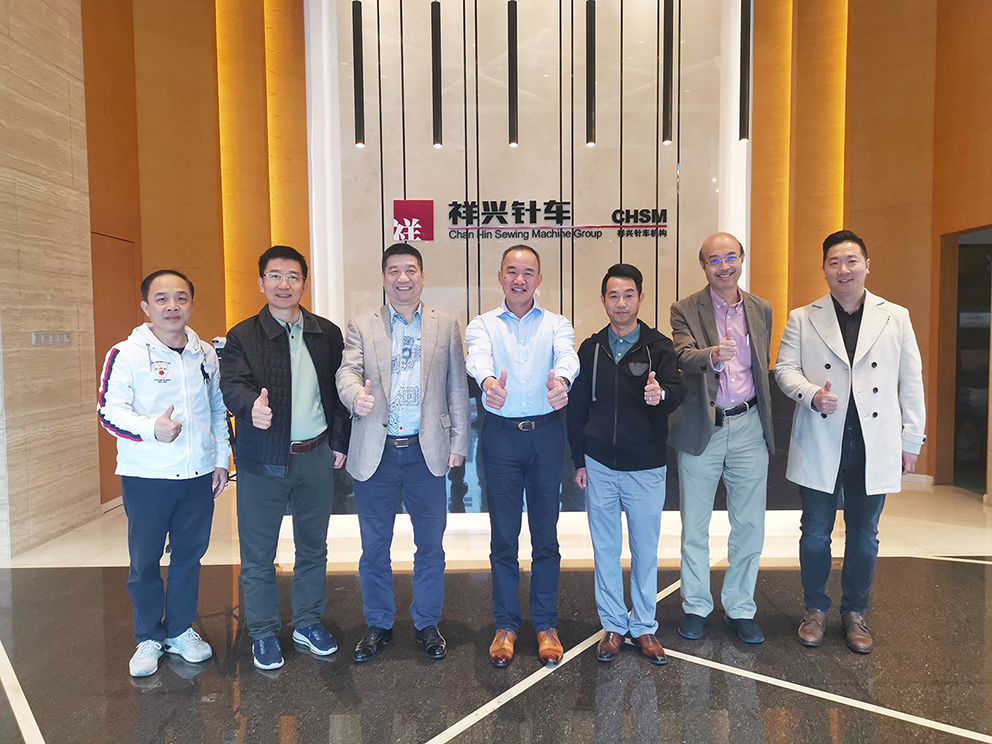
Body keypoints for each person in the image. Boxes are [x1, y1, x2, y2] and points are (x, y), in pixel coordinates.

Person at [775, 229, 926, 654]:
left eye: (851, 260)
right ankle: (815, 610)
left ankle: (855, 612)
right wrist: (811, 394)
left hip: (874, 440)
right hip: (821, 436)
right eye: (834, 262)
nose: (843, 269)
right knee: (815, 532)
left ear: (867, 265)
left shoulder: (896, 317)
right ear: (824, 269)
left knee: (864, 533)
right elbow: (784, 369)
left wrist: (911, 440)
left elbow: (910, 381)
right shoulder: (803, 317)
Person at [336, 243, 470, 662]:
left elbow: (457, 388)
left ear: (422, 276)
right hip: (376, 452)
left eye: (410, 270)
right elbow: (347, 371)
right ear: (383, 278)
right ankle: (378, 623)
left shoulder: (445, 325)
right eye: (393, 270)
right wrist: (355, 396)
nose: (402, 278)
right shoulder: (362, 324)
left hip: (425, 451)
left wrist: (459, 443)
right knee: (374, 547)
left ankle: (427, 622)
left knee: (430, 546)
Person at [220, 245, 350, 670]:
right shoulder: (242, 335)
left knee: (313, 547)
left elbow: (338, 394)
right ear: (261, 283)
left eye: (292, 276)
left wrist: (339, 442)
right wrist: (249, 407)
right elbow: (232, 385)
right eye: (274, 276)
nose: (283, 284)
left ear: (304, 285)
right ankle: (262, 632)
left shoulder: (326, 333)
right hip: (262, 460)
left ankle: (307, 623)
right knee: (259, 554)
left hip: (315, 456)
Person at [98, 269, 231, 678]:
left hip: (197, 475)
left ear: (190, 303)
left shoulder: (204, 353)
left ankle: (179, 630)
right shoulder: (126, 354)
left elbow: (217, 409)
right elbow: (108, 411)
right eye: (161, 299)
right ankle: (148, 637)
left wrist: (221, 460)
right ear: (146, 306)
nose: (172, 306)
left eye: (180, 298)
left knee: (189, 558)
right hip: (147, 477)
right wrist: (151, 428)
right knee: (144, 561)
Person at [465, 244, 580, 667]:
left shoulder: (557, 324)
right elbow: (477, 357)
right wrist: (488, 382)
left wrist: (562, 380)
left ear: (539, 279)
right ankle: (506, 625)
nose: (519, 279)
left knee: (546, 535)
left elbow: (567, 355)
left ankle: (546, 624)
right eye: (511, 271)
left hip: (546, 436)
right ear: (500, 277)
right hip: (501, 439)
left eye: (528, 272)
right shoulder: (482, 324)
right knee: (504, 536)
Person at [568, 263, 685, 665]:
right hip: (599, 463)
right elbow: (577, 409)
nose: (621, 303)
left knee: (645, 549)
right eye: (613, 296)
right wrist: (579, 460)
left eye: (628, 295)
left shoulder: (658, 347)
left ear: (640, 298)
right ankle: (614, 626)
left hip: (646, 466)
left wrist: (660, 396)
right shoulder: (591, 349)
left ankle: (645, 626)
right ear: (603, 300)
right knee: (605, 548)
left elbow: (677, 390)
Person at [668, 232, 775, 644]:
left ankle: (740, 607)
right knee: (694, 526)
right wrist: (712, 355)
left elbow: (762, 365)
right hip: (704, 427)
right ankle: (696, 606)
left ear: (742, 259)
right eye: (714, 260)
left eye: (730, 257)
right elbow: (682, 356)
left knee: (749, 524)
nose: (723, 266)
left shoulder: (761, 309)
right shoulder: (684, 309)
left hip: (749, 424)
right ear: (703, 266)